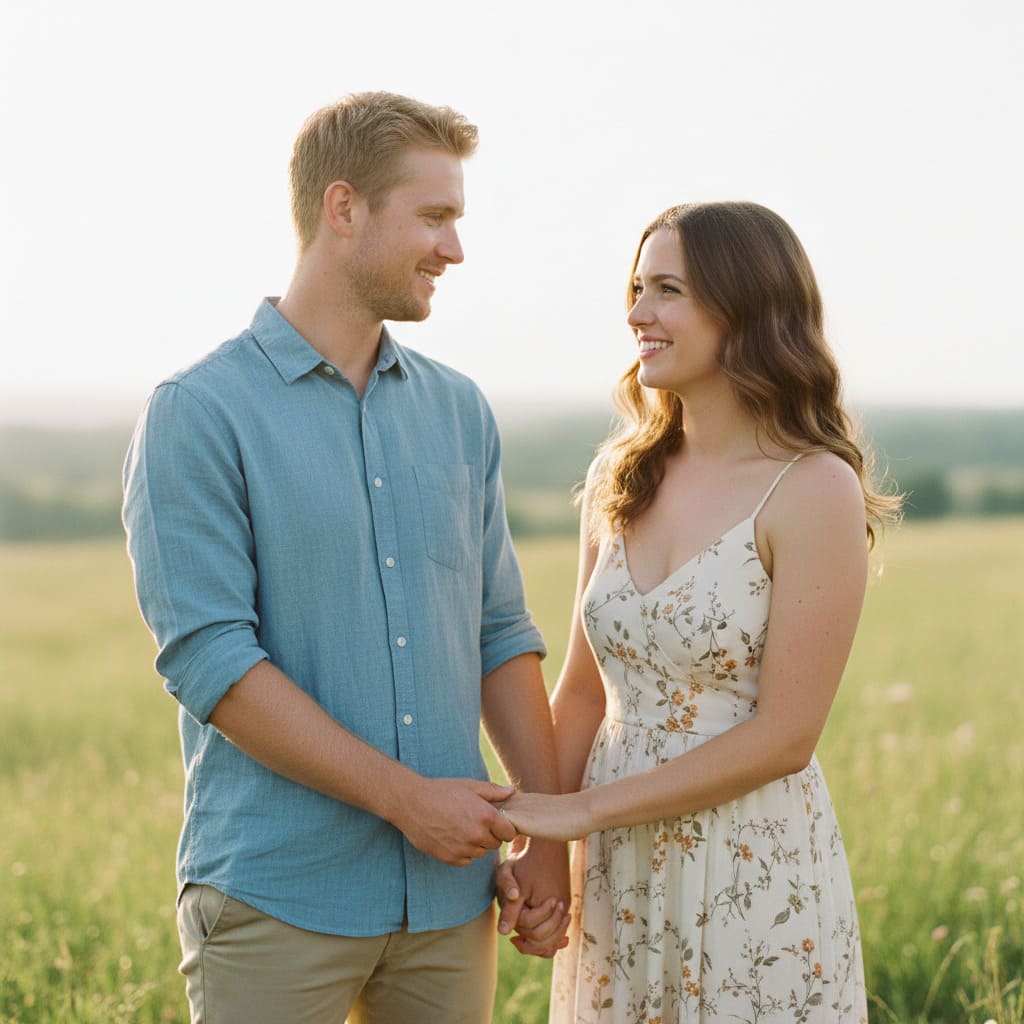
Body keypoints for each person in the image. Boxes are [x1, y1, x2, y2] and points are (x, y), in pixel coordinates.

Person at [122, 90, 569, 1024]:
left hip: (450, 909)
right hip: (278, 898)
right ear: (343, 209)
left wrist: (552, 833)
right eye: (435, 217)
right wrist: (410, 801)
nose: (455, 249)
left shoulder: (458, 410)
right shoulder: (199, 413)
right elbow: (213, 662)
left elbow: (498, 632)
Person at [497, 201, 900, 1022]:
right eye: (638, 288)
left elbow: (787, 737)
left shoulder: (813, 487)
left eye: (667, 290)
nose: (637, 313)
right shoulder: (621, 475)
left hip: (749, 861)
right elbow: (581, 693)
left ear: (745, 307)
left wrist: (578, 813)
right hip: (620, 872)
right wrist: (545, 849)